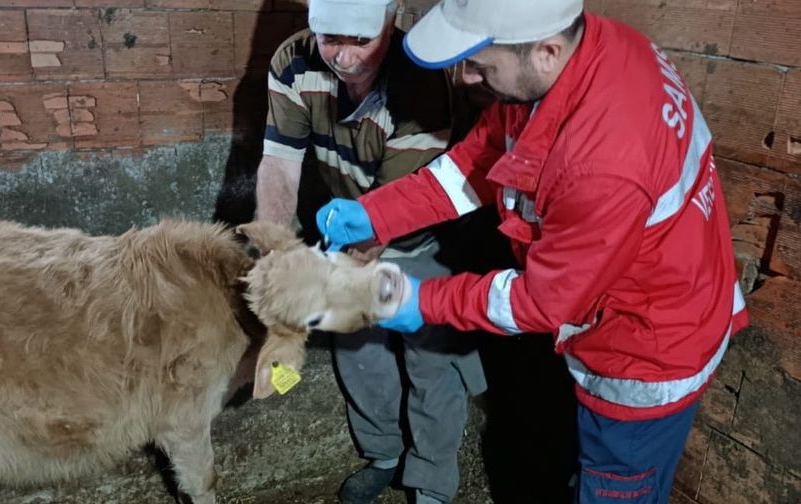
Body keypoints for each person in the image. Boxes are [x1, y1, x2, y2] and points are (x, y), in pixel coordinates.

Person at [317, 1, 750, 502]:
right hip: (621, 295)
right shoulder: (588, 50)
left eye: (483, 62)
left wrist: (419, 301)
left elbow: (537, 303)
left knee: (615, 484)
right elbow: (477, 161)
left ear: (545, 51)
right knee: (573, 457)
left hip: (644, 348)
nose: (467, 77)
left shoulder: (603, 162)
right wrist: (377, 214)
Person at [253, 1, 487, 503]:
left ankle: (432, 479)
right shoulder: (293, 63)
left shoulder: (421, 79)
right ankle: (384, 452)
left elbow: (393, 215)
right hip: (349, 225)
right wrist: (274, 251)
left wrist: (314, 283)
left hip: (419, 233)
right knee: (359, 348)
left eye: (362, 40)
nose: (345, 57)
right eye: (331, 38)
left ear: (390, 18)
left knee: (430, 357)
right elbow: (279, 164)